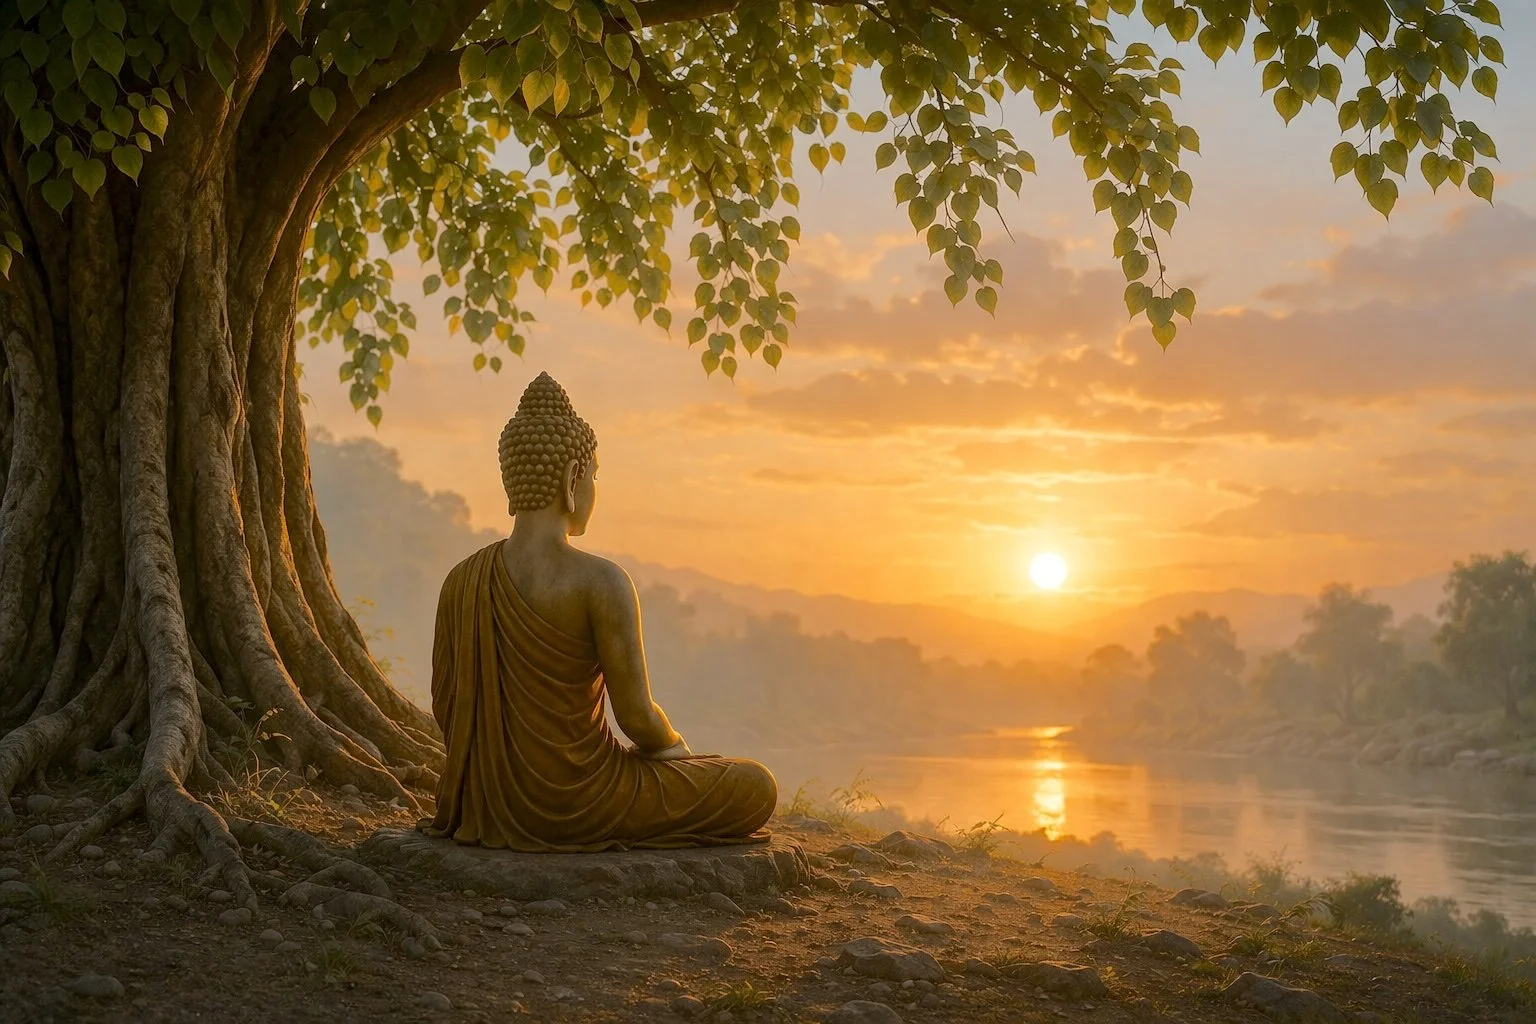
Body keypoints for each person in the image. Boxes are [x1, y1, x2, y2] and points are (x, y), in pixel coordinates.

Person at [422, 372, 777, 850]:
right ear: (572, 478)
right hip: (585, 798)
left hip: (483, 803)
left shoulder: (461, 580)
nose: (594, 488)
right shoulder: (601, 581)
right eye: (594, 476)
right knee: (754, 784)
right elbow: (637, 718)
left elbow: (446, 706)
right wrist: (674, 748)